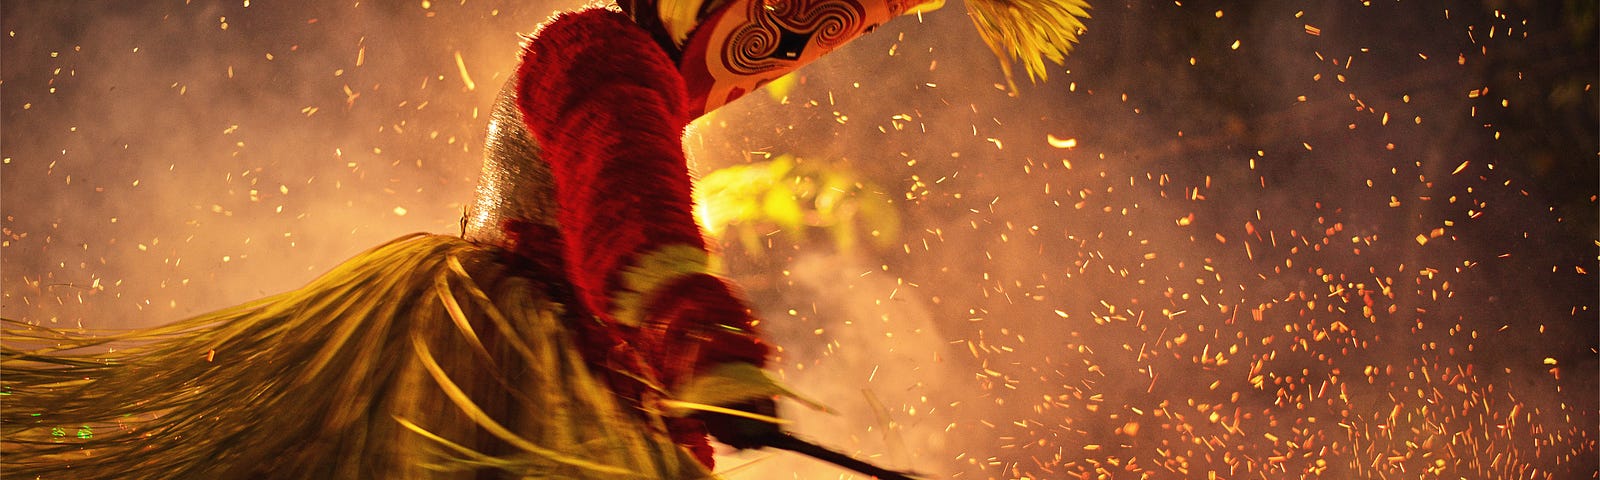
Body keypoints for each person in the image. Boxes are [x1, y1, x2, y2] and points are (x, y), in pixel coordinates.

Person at [3, 0, 1086, 478]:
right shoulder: (600, 54)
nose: (776, 73)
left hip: (555, 370)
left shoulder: (630, 67)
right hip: (521, 375)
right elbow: (632, 220)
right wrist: (703, 353)